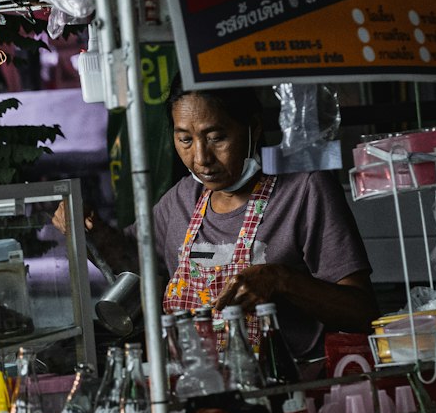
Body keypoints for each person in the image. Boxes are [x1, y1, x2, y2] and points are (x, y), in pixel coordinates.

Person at [86, 78, 376, 360]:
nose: (201, 158)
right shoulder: (182, 199)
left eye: (216, 138)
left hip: (289, 385)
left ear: (254, 127)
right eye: (185, 139)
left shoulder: (305, 190)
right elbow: (133, 263)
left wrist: (282, 281)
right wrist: (89, 227)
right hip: (200, 384)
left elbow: (362, 312)